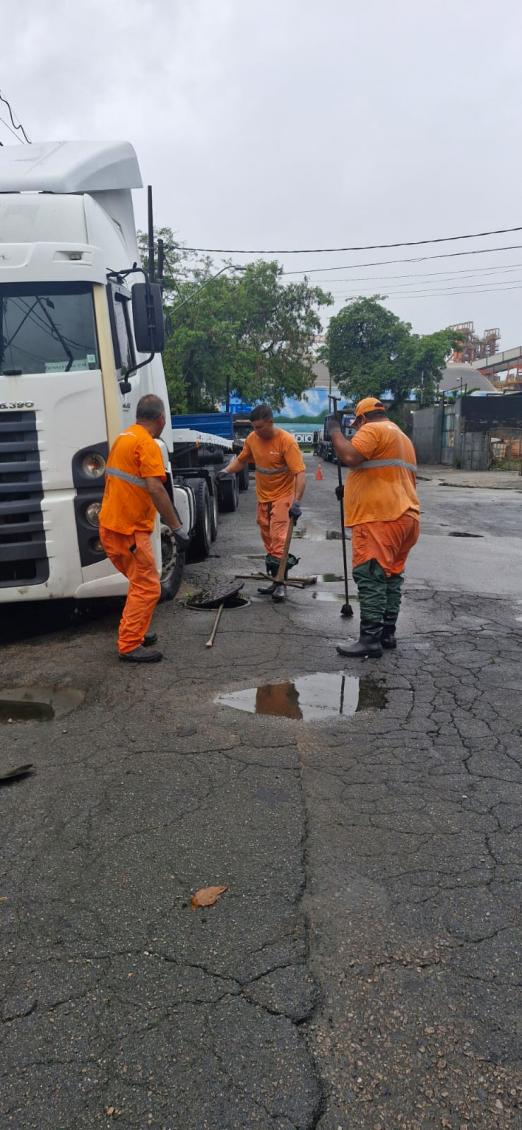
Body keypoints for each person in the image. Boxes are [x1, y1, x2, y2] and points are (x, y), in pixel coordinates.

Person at [99, 394, 189, 663]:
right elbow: (155, 488)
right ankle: (129, 644)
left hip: (112, 527)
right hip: (128, 531)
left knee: (140, 584)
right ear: (161, 419)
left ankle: (135, 632)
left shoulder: (124, 437)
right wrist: (177, 527)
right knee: (148, 587)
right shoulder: (146, 444)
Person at [330, 397, 420, 658]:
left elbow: (349, 455)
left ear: (362, 418)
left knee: (370, 575)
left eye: (356, 425)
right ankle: (386, 634)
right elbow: (384, 475)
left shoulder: (372, 429)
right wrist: (349, 492)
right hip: (406, 516)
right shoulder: (401, 436)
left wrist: (335, 431)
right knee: (391, 577)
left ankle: (369, 639)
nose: (356, 430)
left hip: (379, 518)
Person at [221, 404, 306, 602]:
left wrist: (297, 502)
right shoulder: (252, 439)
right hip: (263, 497)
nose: (256, 431)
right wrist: (225, 471)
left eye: (260, 427)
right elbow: (241, 461)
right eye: (254, 427)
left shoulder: (286, 441)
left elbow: (300, 474)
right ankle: (275, 579)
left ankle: (280, 584)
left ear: (270, 422)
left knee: (278, 539)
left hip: (283, 496)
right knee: (268, 539)